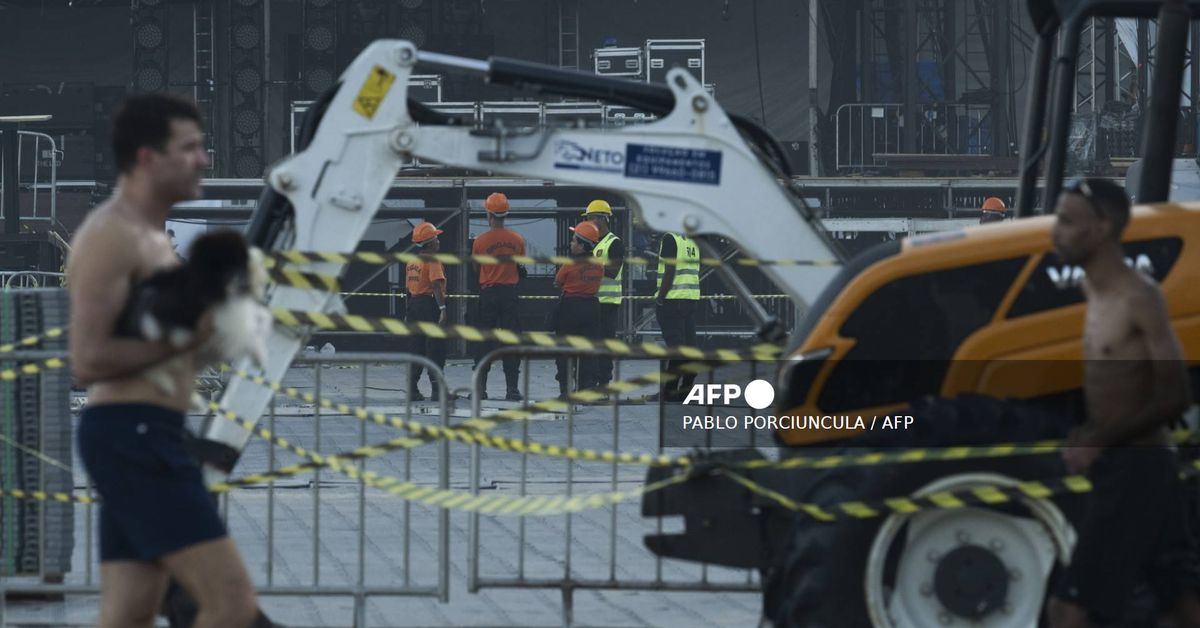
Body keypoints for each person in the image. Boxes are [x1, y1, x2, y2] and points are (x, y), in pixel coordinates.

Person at [67, 94, 260, 628]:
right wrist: (188, 339)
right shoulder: (112, 237)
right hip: (136, 436)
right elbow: (89, 358)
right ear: (148, 157)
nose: (205, 159)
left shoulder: (152, 237)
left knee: (129, 614)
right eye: (191, 147)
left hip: (145, 432)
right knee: (230, 604)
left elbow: (167, 346)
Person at [1046, 177, 1200, 628]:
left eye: (1067, 221)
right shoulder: (1092, 291)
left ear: (1102, 228)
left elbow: (1176, 395)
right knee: (1182, 606)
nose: (1055, 231)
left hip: (1137, 465)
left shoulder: (1139, 296)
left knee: (1067, 610)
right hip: (1132, 462)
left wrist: (1098, 441)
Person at [472, 192, 525, 401]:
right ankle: (512, 389)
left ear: (488, 213)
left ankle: (481, 389)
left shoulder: (480, 242)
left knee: (484, 341)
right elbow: (520, 265)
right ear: (506, 213)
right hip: (509, 294)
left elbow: (476, 267)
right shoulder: (517, 240)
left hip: (488, 293)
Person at [552, 221, 604, 396]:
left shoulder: (569, 264)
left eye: (574, 241)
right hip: (591, 308)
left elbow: (558, 282)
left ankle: (565, 390)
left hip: (570, 309)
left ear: (582, 246)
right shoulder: (598, 264)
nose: (571, 243)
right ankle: (586, 387)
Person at [654, 232, 702, 401]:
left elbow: (669, 271)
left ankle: (670, 392)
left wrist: (660, 297)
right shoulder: (692, 242)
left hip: (672, 301)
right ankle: (679, 391)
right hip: (690, 299)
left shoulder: (670, 238)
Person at [583, 199, 624, 386]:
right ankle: (593, 381)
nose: (588, 223)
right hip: (592, 302)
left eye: (591, 218)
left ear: (602, 218)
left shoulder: (614, 243)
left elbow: (614, 271)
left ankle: (604, 383)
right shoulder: (595, 243)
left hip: (607, 302)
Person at [405, 221, 447, 401]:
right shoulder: (433, 260)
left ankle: (412, 389)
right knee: (435, 348)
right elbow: (436, 285)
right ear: (430, 243)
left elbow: (408, 287)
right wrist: (443, 308)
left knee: (417, 348)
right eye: (436, 237)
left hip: (414, 304)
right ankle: (438, 391)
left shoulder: (412, 262)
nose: (438, 240)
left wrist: (408, 310)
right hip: (428, 305)